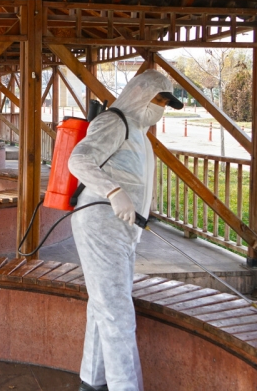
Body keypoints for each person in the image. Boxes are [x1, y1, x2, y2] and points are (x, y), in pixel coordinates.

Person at [68, 70, 177, 391]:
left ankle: (93, 380)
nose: (161, 107)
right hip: (101, 220)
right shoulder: (114, 121)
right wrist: (114, 191)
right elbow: (80, 159)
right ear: (139, 92)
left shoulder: (139, 133)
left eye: (165, 103)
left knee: (105, 305)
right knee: (117, 312)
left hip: (122, 228)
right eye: (158, 99)